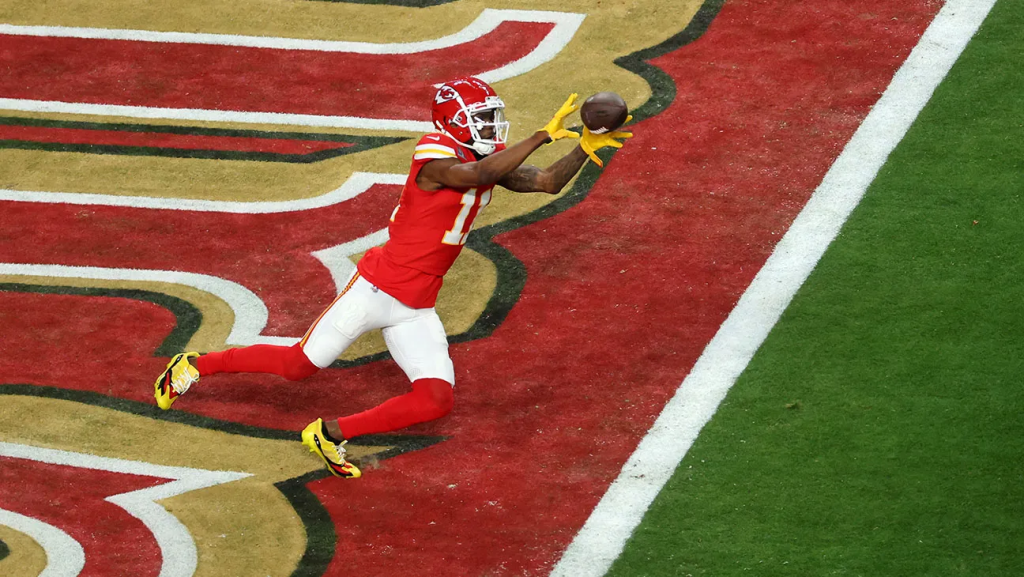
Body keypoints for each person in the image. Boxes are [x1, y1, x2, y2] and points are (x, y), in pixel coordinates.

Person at [153, 77, 633, 478]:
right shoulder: (435, 155)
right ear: (455, 122)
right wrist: (542, 135)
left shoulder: (480, 158)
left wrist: (584, 149)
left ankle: (328, 434)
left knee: (435, 400)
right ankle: (195, 365)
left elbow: (545, 182)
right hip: (376, 289)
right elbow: (479, 172)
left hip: (417, 304)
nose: (491, 126)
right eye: (482, 118)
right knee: (299, 366)